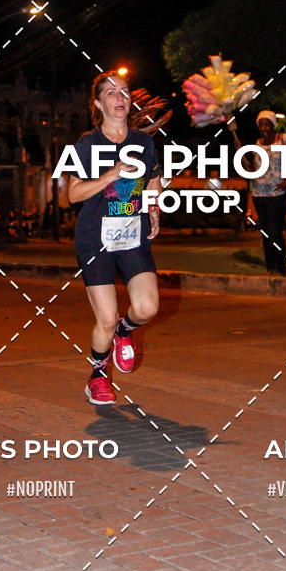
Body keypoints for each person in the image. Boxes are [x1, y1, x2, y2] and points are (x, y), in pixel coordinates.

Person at [69, 71, 162, 406]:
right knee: (105, 318)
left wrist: (154, 208)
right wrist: (111, 173)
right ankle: (97, 377)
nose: (119, 98)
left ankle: (126, 331)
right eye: (110, 93)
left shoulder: (144, 143)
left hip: (132, 234)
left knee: (148, 307)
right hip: (95, 238)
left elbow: (154, 179)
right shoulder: (87, 144)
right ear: (98, 103)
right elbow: (74, 194)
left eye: (124, 92)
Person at [234, 110, 286, 276]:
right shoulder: (258, 144)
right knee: (265, 233)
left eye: (267, 124)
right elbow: (253, 170)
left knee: (275, 231)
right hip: (259, 194)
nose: (264, 128)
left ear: (273, 125)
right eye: (261, 124)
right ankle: (270, 268)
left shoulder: (284, 140)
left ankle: (280, 269)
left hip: (278, 194)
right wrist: (241, 154)